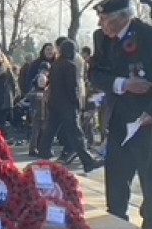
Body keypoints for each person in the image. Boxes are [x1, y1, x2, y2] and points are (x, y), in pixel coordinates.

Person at [89, 0, 152, 229]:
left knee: (149, 174)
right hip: (119, 116)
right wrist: (122, 84)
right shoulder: (102, 40)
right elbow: (95, 73)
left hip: (147, 118)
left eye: (105, 19)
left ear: (123, 17)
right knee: (116, 171)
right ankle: (116, 219)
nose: (101, 25)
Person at [37, 39, 103, 173]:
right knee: (77, 134)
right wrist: (78, 103)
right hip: (68, 105)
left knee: (49, 131)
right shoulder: (71, 66)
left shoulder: (55, 64)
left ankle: (43, 155)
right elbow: (72, 88)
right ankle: (88, 162)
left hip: (55, 103)